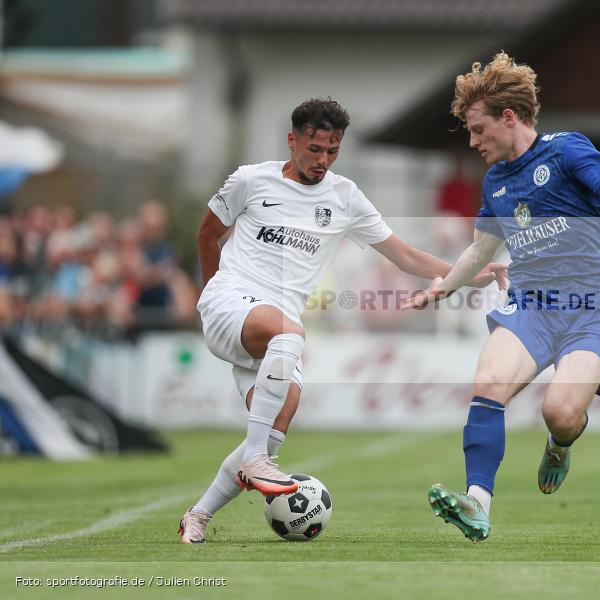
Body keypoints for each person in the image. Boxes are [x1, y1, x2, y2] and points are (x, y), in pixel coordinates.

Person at [178, 98, 508, 544]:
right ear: (292, 141)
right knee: (289, 334)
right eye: (314, 149)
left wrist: (469, 274)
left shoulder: (345, 197)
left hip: (276, 332)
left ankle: (198, 515)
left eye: (332, 151)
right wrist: (212, 292)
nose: (323, 160)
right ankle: (255, 459)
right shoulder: (250, 180)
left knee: (276, 426)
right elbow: (207, 233)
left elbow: (406, 255)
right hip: (231, 303)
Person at [404, 52, 600, 542]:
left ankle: (560, 443)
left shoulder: (566, 151)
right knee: (489, 382)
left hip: (591, 311)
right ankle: (478, 504)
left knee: (559, 412)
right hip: (531, 306)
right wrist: (442, 287)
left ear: (508, 118)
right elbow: (480, 250)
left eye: (477, 130)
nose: (473, 142)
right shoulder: (495, 182)